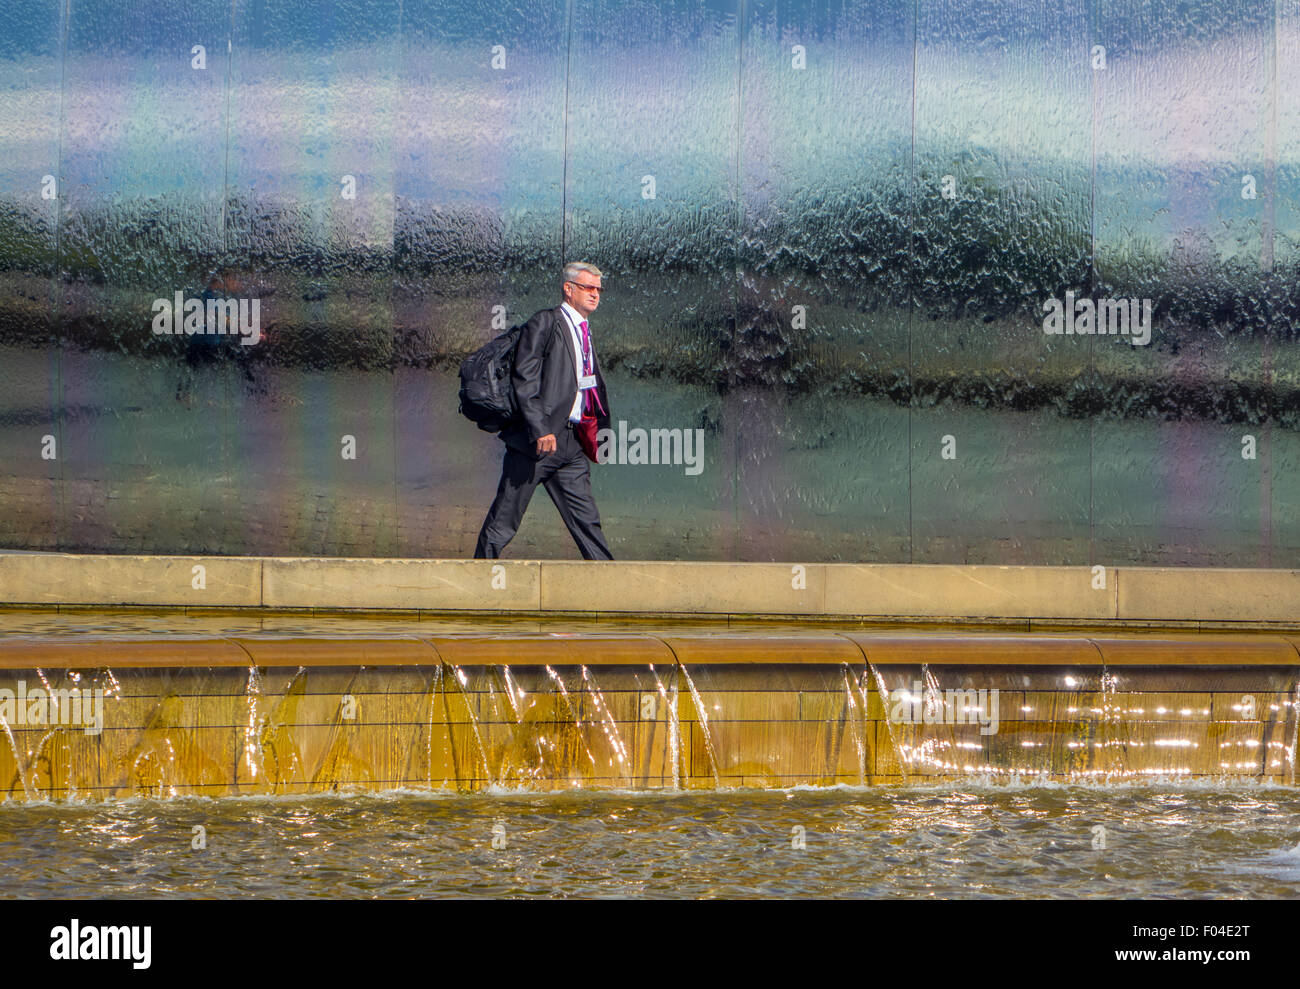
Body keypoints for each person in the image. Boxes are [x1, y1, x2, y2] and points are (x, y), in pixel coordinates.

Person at [473, 262, 614, 559]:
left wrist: (597, 432)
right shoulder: (545, 323)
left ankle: (608, 586)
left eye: (599, 289)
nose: (595, 294)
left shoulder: (584, 332)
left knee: (587, 522)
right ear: (569, 288)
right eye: (589, 287)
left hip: (571, 444)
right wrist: (540, 429)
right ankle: (478, 580)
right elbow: (524, 378)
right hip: (537, 443)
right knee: (504, 521)